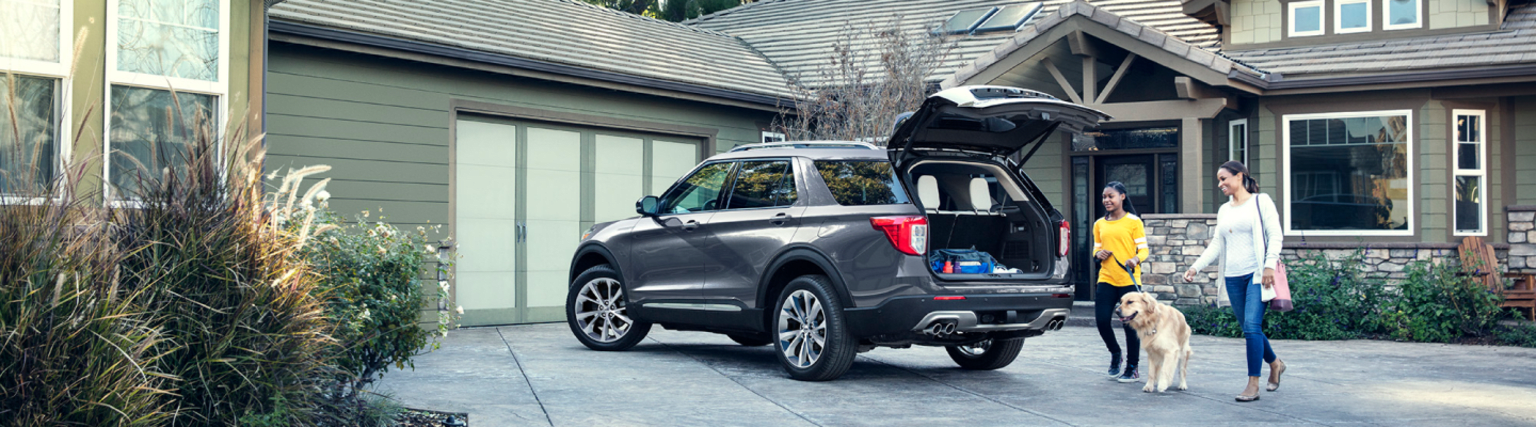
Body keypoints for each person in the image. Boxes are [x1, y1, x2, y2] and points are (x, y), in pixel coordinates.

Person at [1183, 161, 1286, 402]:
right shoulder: (1225, 210)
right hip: (1232, 277)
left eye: (1223, 179)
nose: (1220, 184)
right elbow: (1218, 244)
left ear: (1239, 176)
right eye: (1218, 180)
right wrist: (1195, 267)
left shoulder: (1262, 202)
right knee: (1250, 329)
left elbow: (1275, 236)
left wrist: (1269, 264)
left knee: (1252, 327)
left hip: (1257, 275)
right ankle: (1275, 364)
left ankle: (1253, 384)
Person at [1092, 181, 1149, 383]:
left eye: (1110, 196)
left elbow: (1144, 250)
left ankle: (1132, 366)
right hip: (1107, 278)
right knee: (1101, 320)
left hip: (1128, 280)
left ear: (1122, 197)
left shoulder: (1134, 222)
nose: (1106, 200)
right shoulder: (1099, 224)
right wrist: (1098, 253)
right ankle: (1115, 353)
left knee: (1130, 325)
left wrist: (1135, 259)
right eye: (1104, 197)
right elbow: (1095, 249)